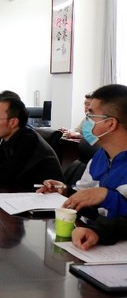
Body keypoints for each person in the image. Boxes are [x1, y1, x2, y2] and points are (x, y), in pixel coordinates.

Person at [39, 84, 127, 219]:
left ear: (110, 124)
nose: (86, 120)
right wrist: (66, 191)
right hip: (89, 228)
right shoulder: (100, 156)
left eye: (91, 115)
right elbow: (85, 196)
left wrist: (107, 196)